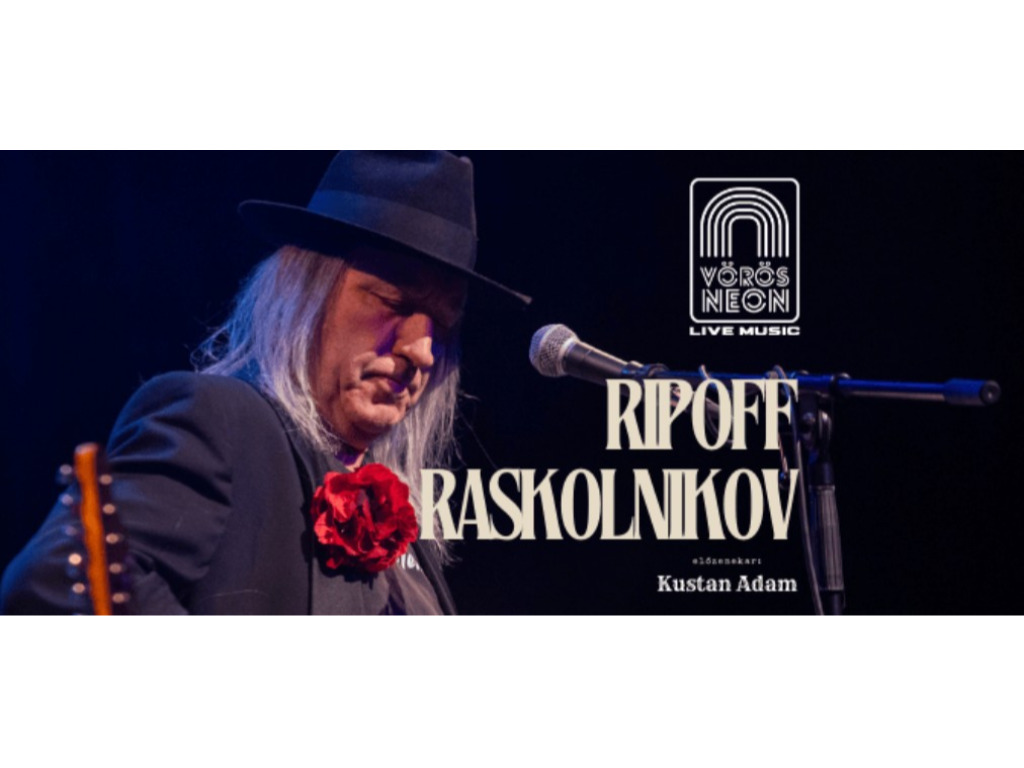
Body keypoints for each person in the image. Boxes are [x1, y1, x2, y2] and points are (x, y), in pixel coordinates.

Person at [0, 150, 530, 615]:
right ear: (307, 291)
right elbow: (55, 581)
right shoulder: (220, 422)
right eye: (394, 301)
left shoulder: (409, 537)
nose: (422, 349)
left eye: (443, 325)